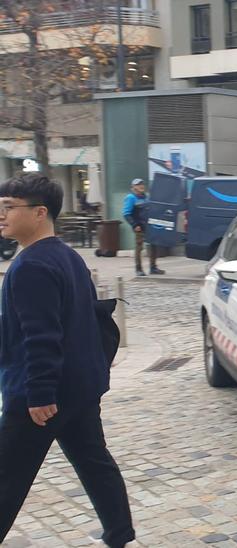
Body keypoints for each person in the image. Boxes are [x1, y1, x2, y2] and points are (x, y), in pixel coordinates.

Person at [0, 174, 135, 547]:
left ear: (40, 213)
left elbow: (43, 336)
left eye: (10, 206)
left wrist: (39, 394)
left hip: (43, 396)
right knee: (94, 462)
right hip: (80, 387)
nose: (2, 214)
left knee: (6, 478)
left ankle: (120, 533)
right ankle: (120, 533)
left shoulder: (30, 266)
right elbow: (79, 318)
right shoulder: (67, 255)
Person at [122, 178, 164, 277]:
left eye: (142, 184)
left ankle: (153, 267)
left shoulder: (147, 197)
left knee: (154, 246)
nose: (141, 186)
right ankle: (138, 269)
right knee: (139, 248)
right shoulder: (130, 198)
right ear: (133, 187)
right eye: (138, 184)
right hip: (139, 227)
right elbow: (126, 214)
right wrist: (134, 225)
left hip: (149, 226)